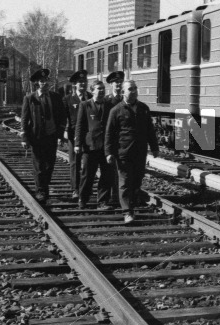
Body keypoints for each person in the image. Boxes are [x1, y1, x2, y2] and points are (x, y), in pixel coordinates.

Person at [105, 80, 158, 224]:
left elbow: (150, 130)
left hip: (140, 152)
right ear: (123, 92)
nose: (134, 91)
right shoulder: (116, 110)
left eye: (135, 88)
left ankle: (132, 206)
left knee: (137, 180)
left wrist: (154, 147)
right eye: (130, 89)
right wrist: (109, 152)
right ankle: (127, 212)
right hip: (123, 152)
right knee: (125, 182)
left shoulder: (143, 108)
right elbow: (109, 133)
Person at [20, 68, 67, 204]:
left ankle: (44, 186)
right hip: (37, 137)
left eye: (46, 80)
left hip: (51, 136)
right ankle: (41, 191)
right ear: (37, 83)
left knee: (49, 165)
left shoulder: (56, 97)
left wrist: (60, 134)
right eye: (41, 81)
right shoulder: (30, 98)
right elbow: (24, 119)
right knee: (39, 165)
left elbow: (62, 116)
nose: (44, 83)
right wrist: (24, 138)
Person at [75, 80, 116, 209]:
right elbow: (80, 126)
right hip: (90, 146)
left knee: (107, 175)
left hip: (106, 146)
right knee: (87, 174)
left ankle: (103, 201)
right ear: (92, 91)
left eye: (103, 88)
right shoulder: (85, 105)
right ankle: (83, 199)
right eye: (99, 89)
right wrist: (78, 144)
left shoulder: (110, 105)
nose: (102, 91)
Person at [65, 70, 90, 200]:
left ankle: (85, 189)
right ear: (75, 84)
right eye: (80, 82)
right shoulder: (68, 99)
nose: (83, 84)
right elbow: (64, 118)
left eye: (85, 81)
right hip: (73, 136)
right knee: (75, 163)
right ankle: (75, 189)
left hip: (88, 136)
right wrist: (63, 133)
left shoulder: (91, 97)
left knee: (88, 164)